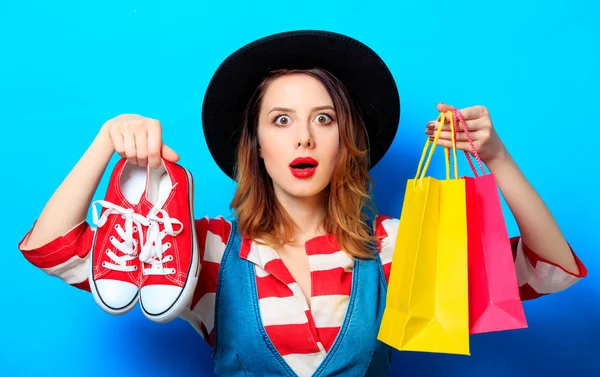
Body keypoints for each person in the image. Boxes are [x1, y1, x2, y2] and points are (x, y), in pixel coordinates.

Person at [17, 30, 586, 377]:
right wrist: (105, 143)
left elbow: (548, 271)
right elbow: (51, 247)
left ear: (346, 143)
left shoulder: (394, 247)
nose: (304, 139)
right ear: (258, 147)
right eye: (281, 121)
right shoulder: (203, 251)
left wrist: (499, 159)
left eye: (324, 119)